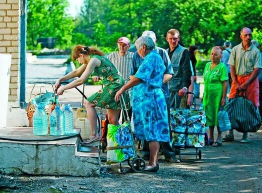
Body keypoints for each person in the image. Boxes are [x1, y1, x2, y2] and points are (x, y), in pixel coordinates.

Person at [115, 36, 169, 172]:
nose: (138, 51)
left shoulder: (151, 57)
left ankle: (153, 162)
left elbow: (138, 78)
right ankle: (152, 161)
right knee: (151, 130)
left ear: (143, 47)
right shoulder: (154, 57)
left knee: (152, 131)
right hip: (149, 98)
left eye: (138, 48)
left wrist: (122, 89)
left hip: (151, 99)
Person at [55, 45, 130, 143]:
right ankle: (118, 145)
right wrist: (60, 80)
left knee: (88, 103)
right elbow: (77, 72)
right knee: (113, 120)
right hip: (117, 85)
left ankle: (95, 134)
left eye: (77, 59)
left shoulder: (93, 60)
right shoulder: (91, 59)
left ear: (81, 55)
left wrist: (64, 88)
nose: (78, 62)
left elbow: (81, 80)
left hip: (114, 86)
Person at [130, 30, 179, 163]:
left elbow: (169, 73)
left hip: (158, 95)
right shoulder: (137, 55)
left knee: (161, 125)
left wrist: (155, 82)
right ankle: (147, 154)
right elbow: (133, 75)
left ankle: (168, 153)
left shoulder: (159, 53)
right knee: (148, 126)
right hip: (143, 97)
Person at [223, 27, 262, 143]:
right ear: (241, 36)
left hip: (251, 80)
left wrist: (246, 83)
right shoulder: (235, 49)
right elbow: (232, 67)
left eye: (250, 35)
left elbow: (257, 69)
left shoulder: (256, 51)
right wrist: (235, 81)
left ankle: (245, 133)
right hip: (237, 79)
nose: (248, 37)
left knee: (249, 106)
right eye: (245, 35)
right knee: (231, 104)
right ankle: (230, 133)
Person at [203, 46, 228, 147]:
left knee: (218, 116)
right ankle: (211, 137)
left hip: (217, 96)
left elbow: (225, 83)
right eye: (212, 54)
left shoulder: (222, 67)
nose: (213, 56)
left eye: (215, 54)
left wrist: (223, 97)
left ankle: (219, 138)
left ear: (220, 56)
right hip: (208, 95)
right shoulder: (207, 65)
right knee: (209, 115)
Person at [166, 29, 194, 108]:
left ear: (179, 38)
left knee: (178, 117)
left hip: (179, 91)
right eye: (171, 38)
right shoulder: (165, 52)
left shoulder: (183, 51)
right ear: (167, 39)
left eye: (175, 38)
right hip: (167, 90)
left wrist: (185, 87)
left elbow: (187, 71)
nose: (173, 41)